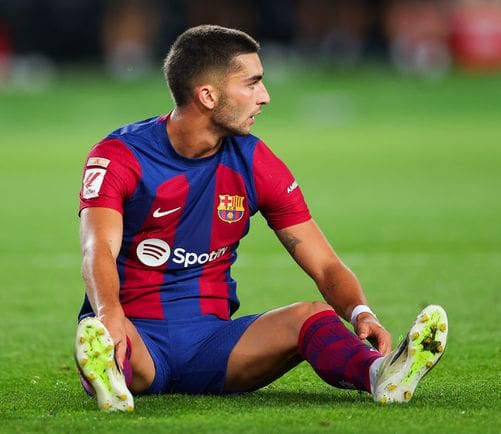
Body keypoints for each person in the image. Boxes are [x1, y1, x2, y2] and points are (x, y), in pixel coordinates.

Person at [74, 24, 448, 412]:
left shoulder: (254, 162)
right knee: (102, 336)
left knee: (313, 315)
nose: (265, 97)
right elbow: (96, 248)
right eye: (251, 84)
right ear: (207, 95)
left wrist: (360, 311)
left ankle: (381, 373)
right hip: (135, 334)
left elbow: (324, 264)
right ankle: (112, 375)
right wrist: (110, 315)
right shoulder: (120, 155)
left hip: (213, 346)